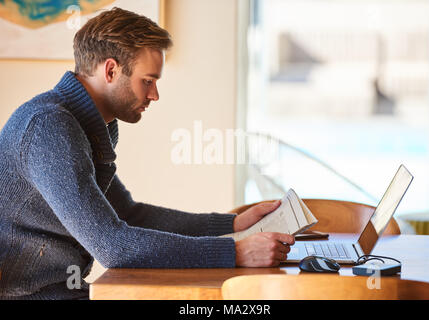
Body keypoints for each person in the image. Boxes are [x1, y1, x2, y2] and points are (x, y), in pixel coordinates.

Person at [0, 7, 294, 300]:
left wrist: (230, 225)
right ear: (111, 70)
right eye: (148, 81)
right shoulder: (49, 128)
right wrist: (235, 252)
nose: (154, 95)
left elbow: (128, 214)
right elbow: (114, 246)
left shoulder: (80, 125)